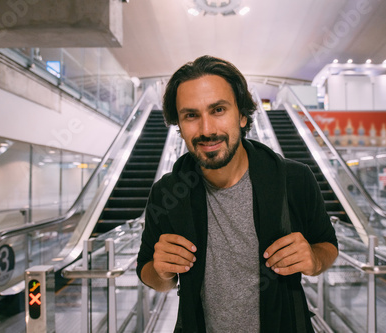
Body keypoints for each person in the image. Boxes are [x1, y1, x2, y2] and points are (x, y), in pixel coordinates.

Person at [136, 55, 339, 333]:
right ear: (179, 127)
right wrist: (162, 272)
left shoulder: (294, 179)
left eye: (218, 110)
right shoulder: (167, 193)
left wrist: (314, 260)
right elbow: (149, 273)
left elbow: (327, 245)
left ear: (242, 115)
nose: (206, 130)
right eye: (191, 115)